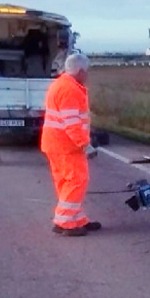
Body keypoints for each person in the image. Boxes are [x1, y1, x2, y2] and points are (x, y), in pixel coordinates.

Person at [40, 53, 100, 237]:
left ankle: (76, 219)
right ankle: (65, 222)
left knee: (66, 183)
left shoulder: (59, 85)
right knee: (76, 181)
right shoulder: (70, 90)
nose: (87, 75)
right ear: (80, 71)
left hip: (55, 144)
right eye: (86, 71)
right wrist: (85, 145)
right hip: (67, 146)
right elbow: (72, 123)